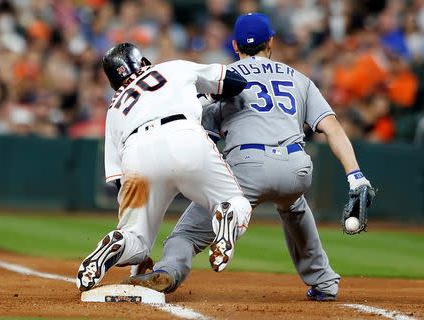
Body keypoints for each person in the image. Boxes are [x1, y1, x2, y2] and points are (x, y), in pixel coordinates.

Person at [129, 13, 375, 301]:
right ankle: (324, 282)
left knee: (185, 235)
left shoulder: (221, 79)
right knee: (293, 204)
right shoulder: (299, 78)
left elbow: (201, 141)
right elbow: (331, 127)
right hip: (296, 168)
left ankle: (170, 269)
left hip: (246, 168)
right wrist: (356, 177)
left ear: (235, 46)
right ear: (270, 42)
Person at [76, 43, 252, 292]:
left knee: (135, 236)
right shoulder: (173, 68)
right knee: (236, 201)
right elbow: (235, 81)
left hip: (136, 155)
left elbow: (118, 180)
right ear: (144, 62)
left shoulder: (115, 107)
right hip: (184, 137)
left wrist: (133, 224)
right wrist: (206, 96)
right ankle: (227, 214)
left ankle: (123, 242)